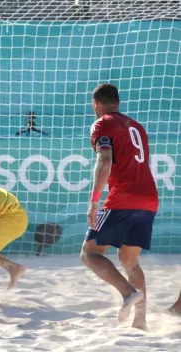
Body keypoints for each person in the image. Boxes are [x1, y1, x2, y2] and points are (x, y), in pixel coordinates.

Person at [80, 84, 158, 331]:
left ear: (96, 102)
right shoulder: (137, 126)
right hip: (149, 199)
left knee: (89, 254)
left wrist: (93, 201)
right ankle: (140, 321)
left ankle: (127, 293)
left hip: (123, 198)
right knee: (129, 260)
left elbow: (104, 161)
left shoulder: (102, 124)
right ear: (117, 101)